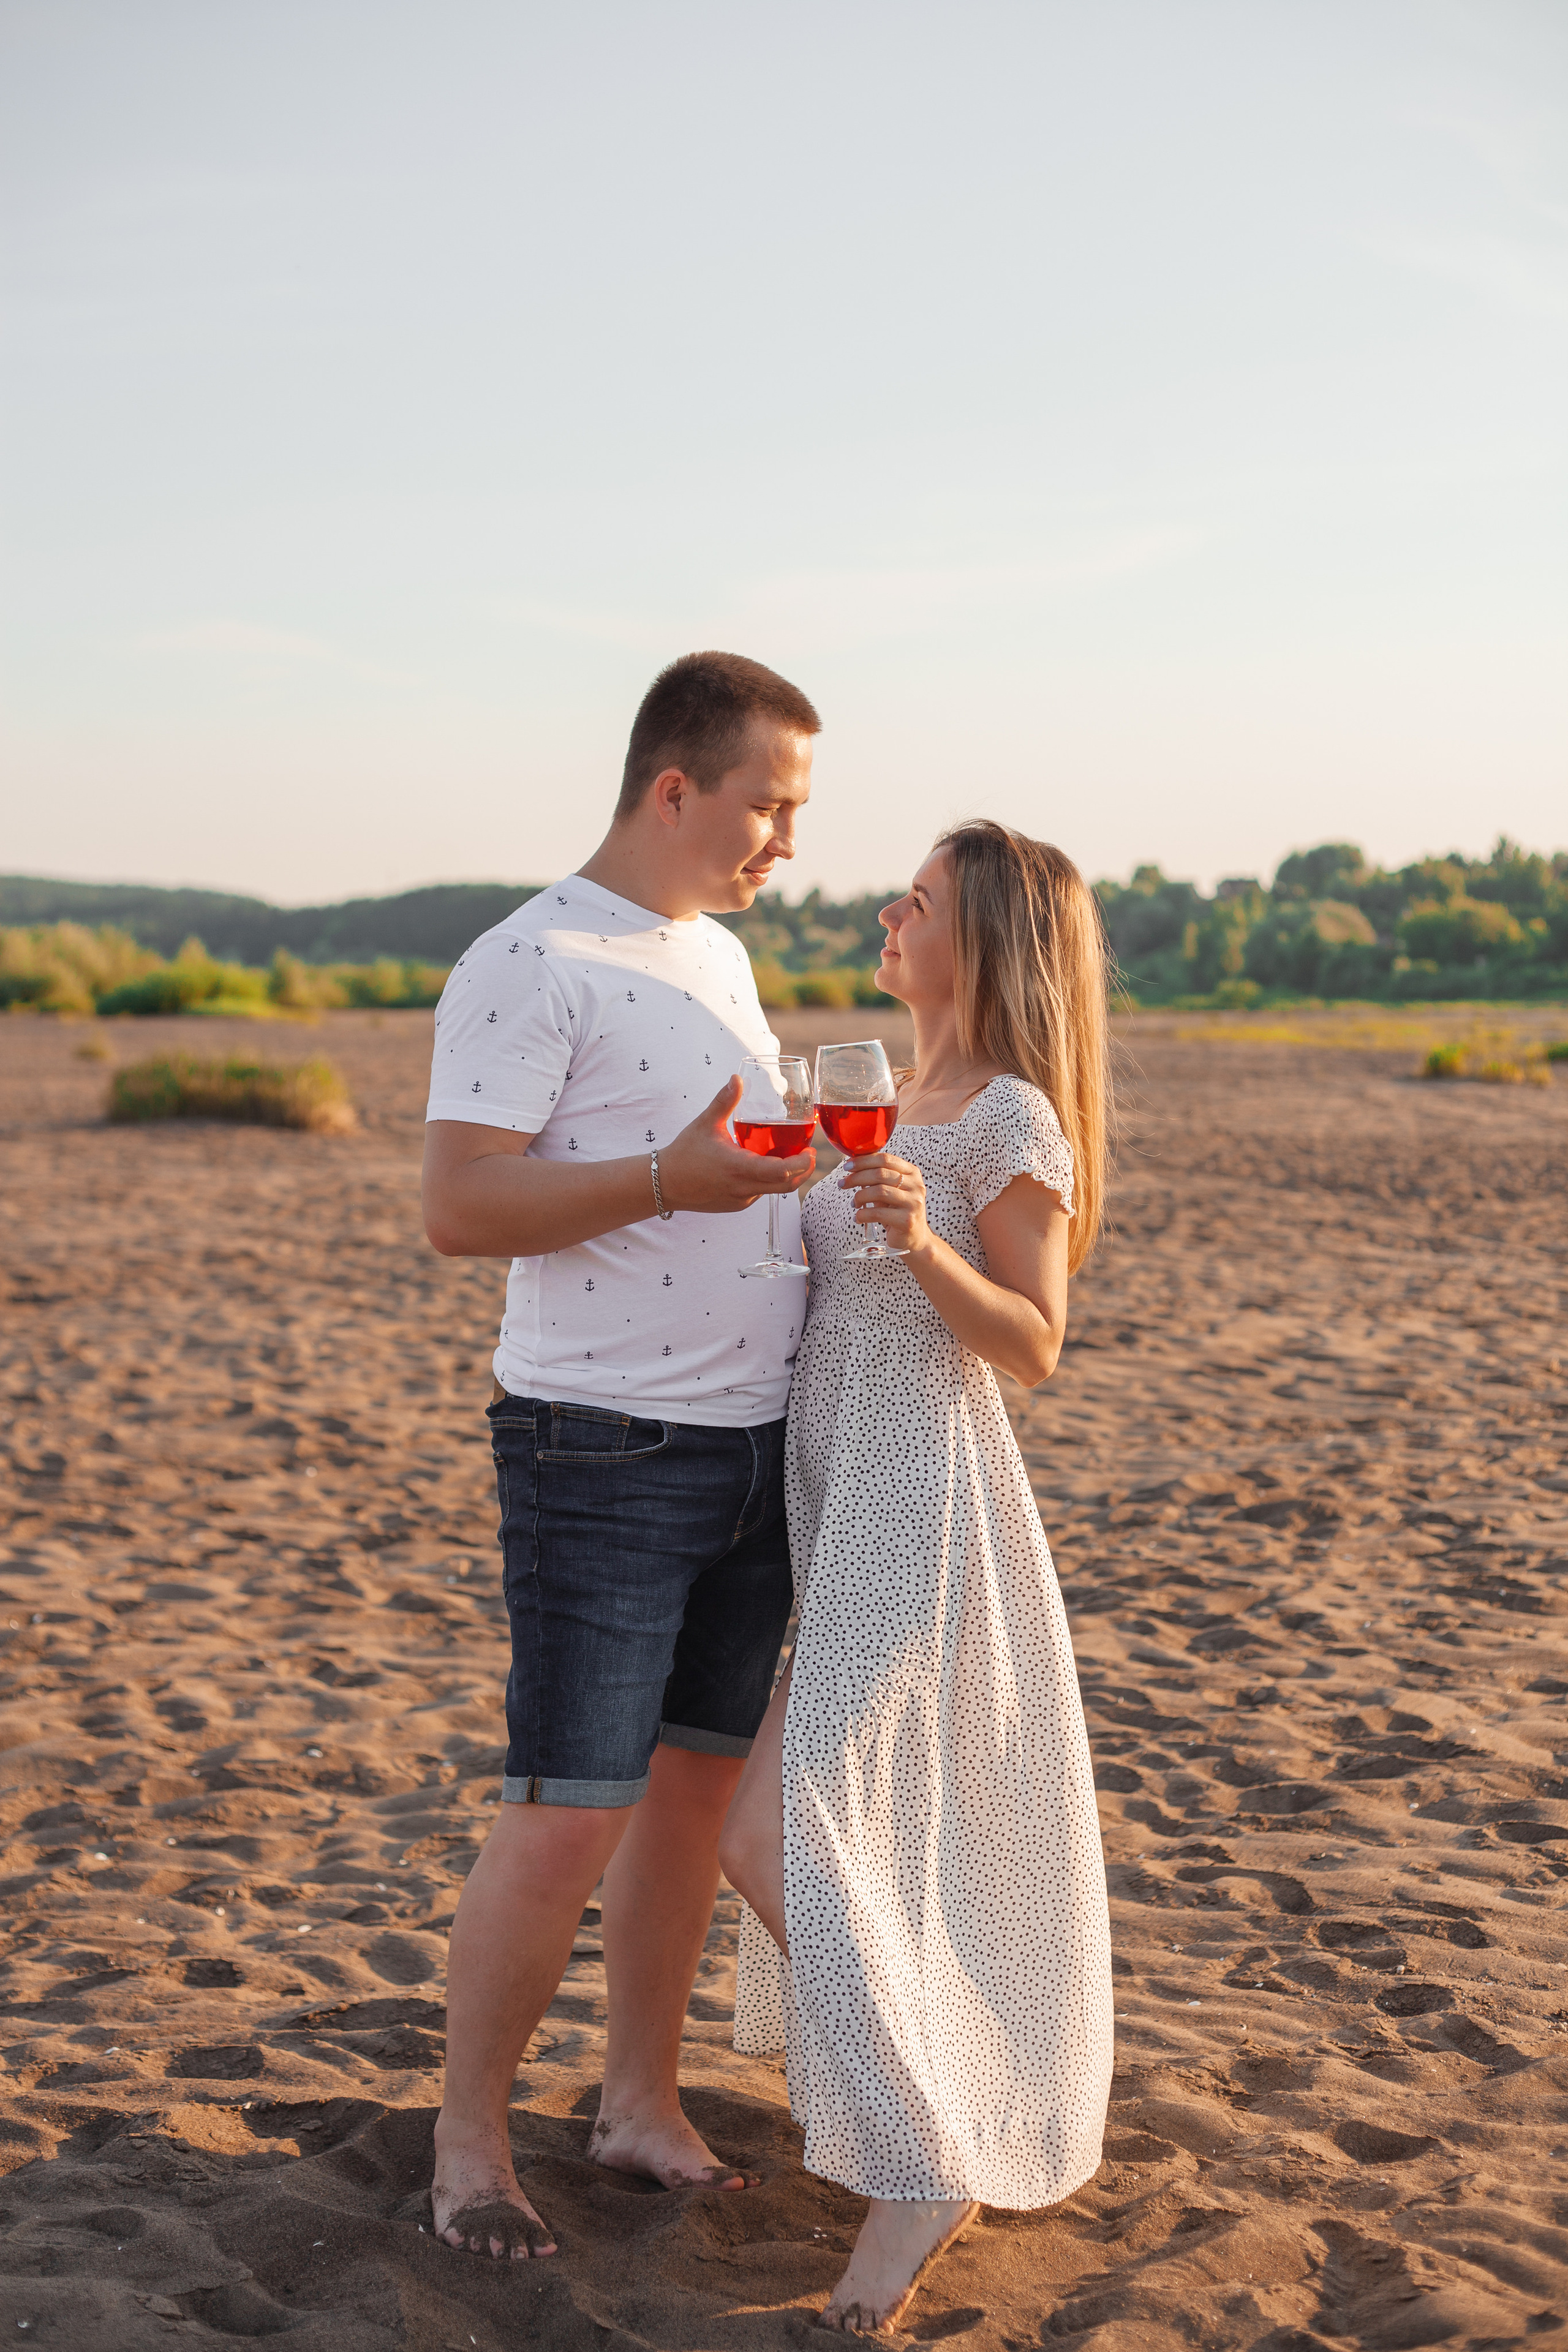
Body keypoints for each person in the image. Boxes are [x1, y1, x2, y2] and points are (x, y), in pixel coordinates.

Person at [420, 650, 821, 2260]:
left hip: (751, 1446)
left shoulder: (716, 954)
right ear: (677, 787)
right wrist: (673, 1175)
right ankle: (467, 2152)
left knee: (685, 1804)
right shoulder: (525, 962)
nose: (786, 843)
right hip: (602, 1449)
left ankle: (637, 2099)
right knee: (568, 1808)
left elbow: (735, 1172)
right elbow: (460, 1207)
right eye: (769, 807)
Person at [719, 819, 1115, 2335]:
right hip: (829, 1499)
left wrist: (918, 1241)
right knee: (812, 1824)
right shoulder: (882, 1092)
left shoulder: (1007, 1115)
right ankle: (923, 2102)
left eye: (921, 902)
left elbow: (1033, 1341)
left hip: (918, 1494)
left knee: (780, 1821)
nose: (888, 914)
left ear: (989, 941)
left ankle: (926, 2161)